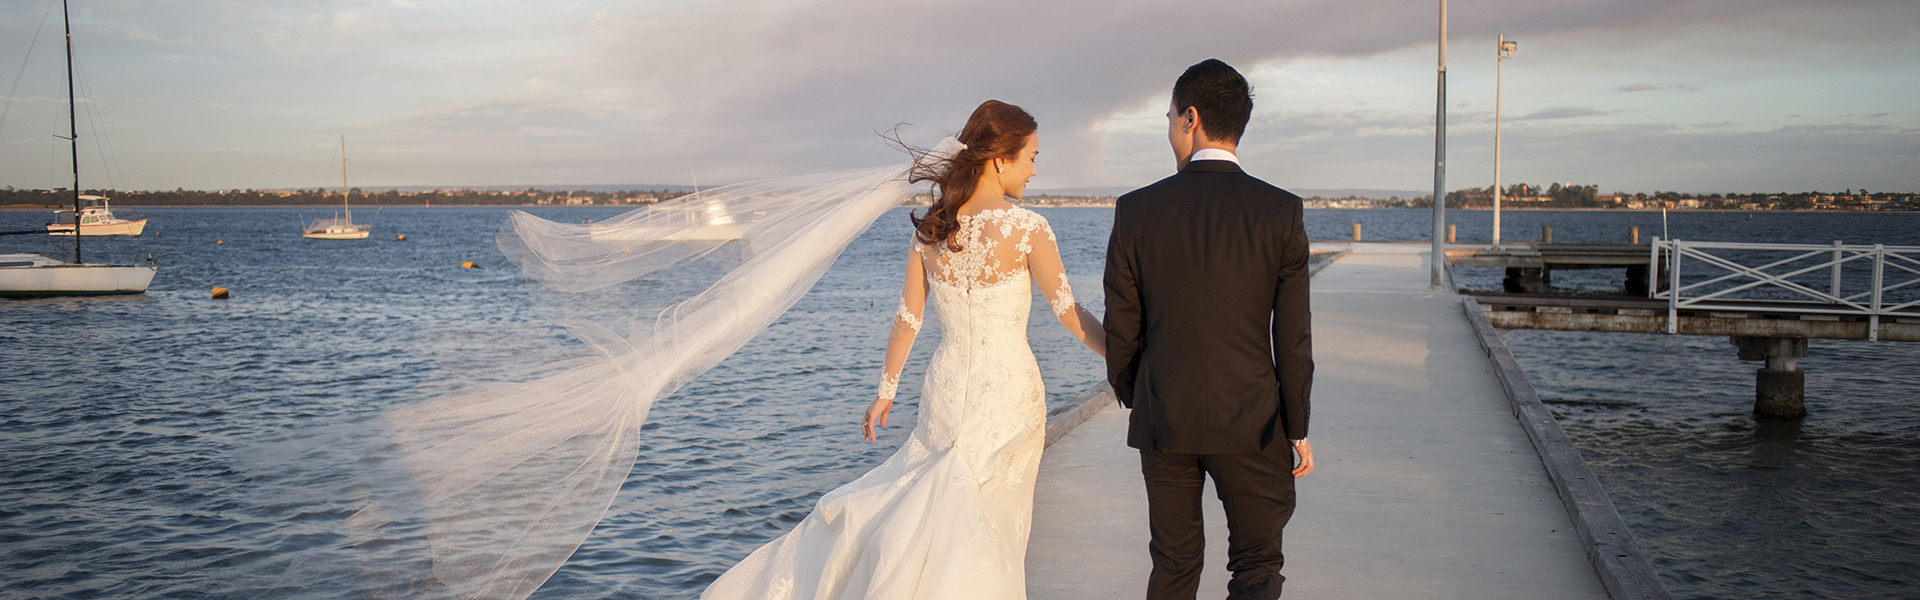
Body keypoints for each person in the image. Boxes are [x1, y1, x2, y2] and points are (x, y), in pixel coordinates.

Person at [701, 99, 1107, 599]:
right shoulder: (1028, 228)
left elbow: (907, 320)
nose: (1035, 170)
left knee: (936, 504)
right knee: (993, 523)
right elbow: (1071, 314)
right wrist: (1125, 357)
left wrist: (885, 393)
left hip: (946, 389)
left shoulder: (932, 229)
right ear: (1000, 159)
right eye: (1031, 157)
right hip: (1008, 395)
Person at [1103, 59, 1316, 600]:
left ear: (1190, 119)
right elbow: (1293, 339)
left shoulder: (1135, 211)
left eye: (1171, 116)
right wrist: (1297, 426)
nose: (1169, 128)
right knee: (1257, 566)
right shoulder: (1281, 213)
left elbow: (1122, 323)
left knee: (1173, 566)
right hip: (1253, 421)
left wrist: (1137, 393)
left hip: (1164, 416)